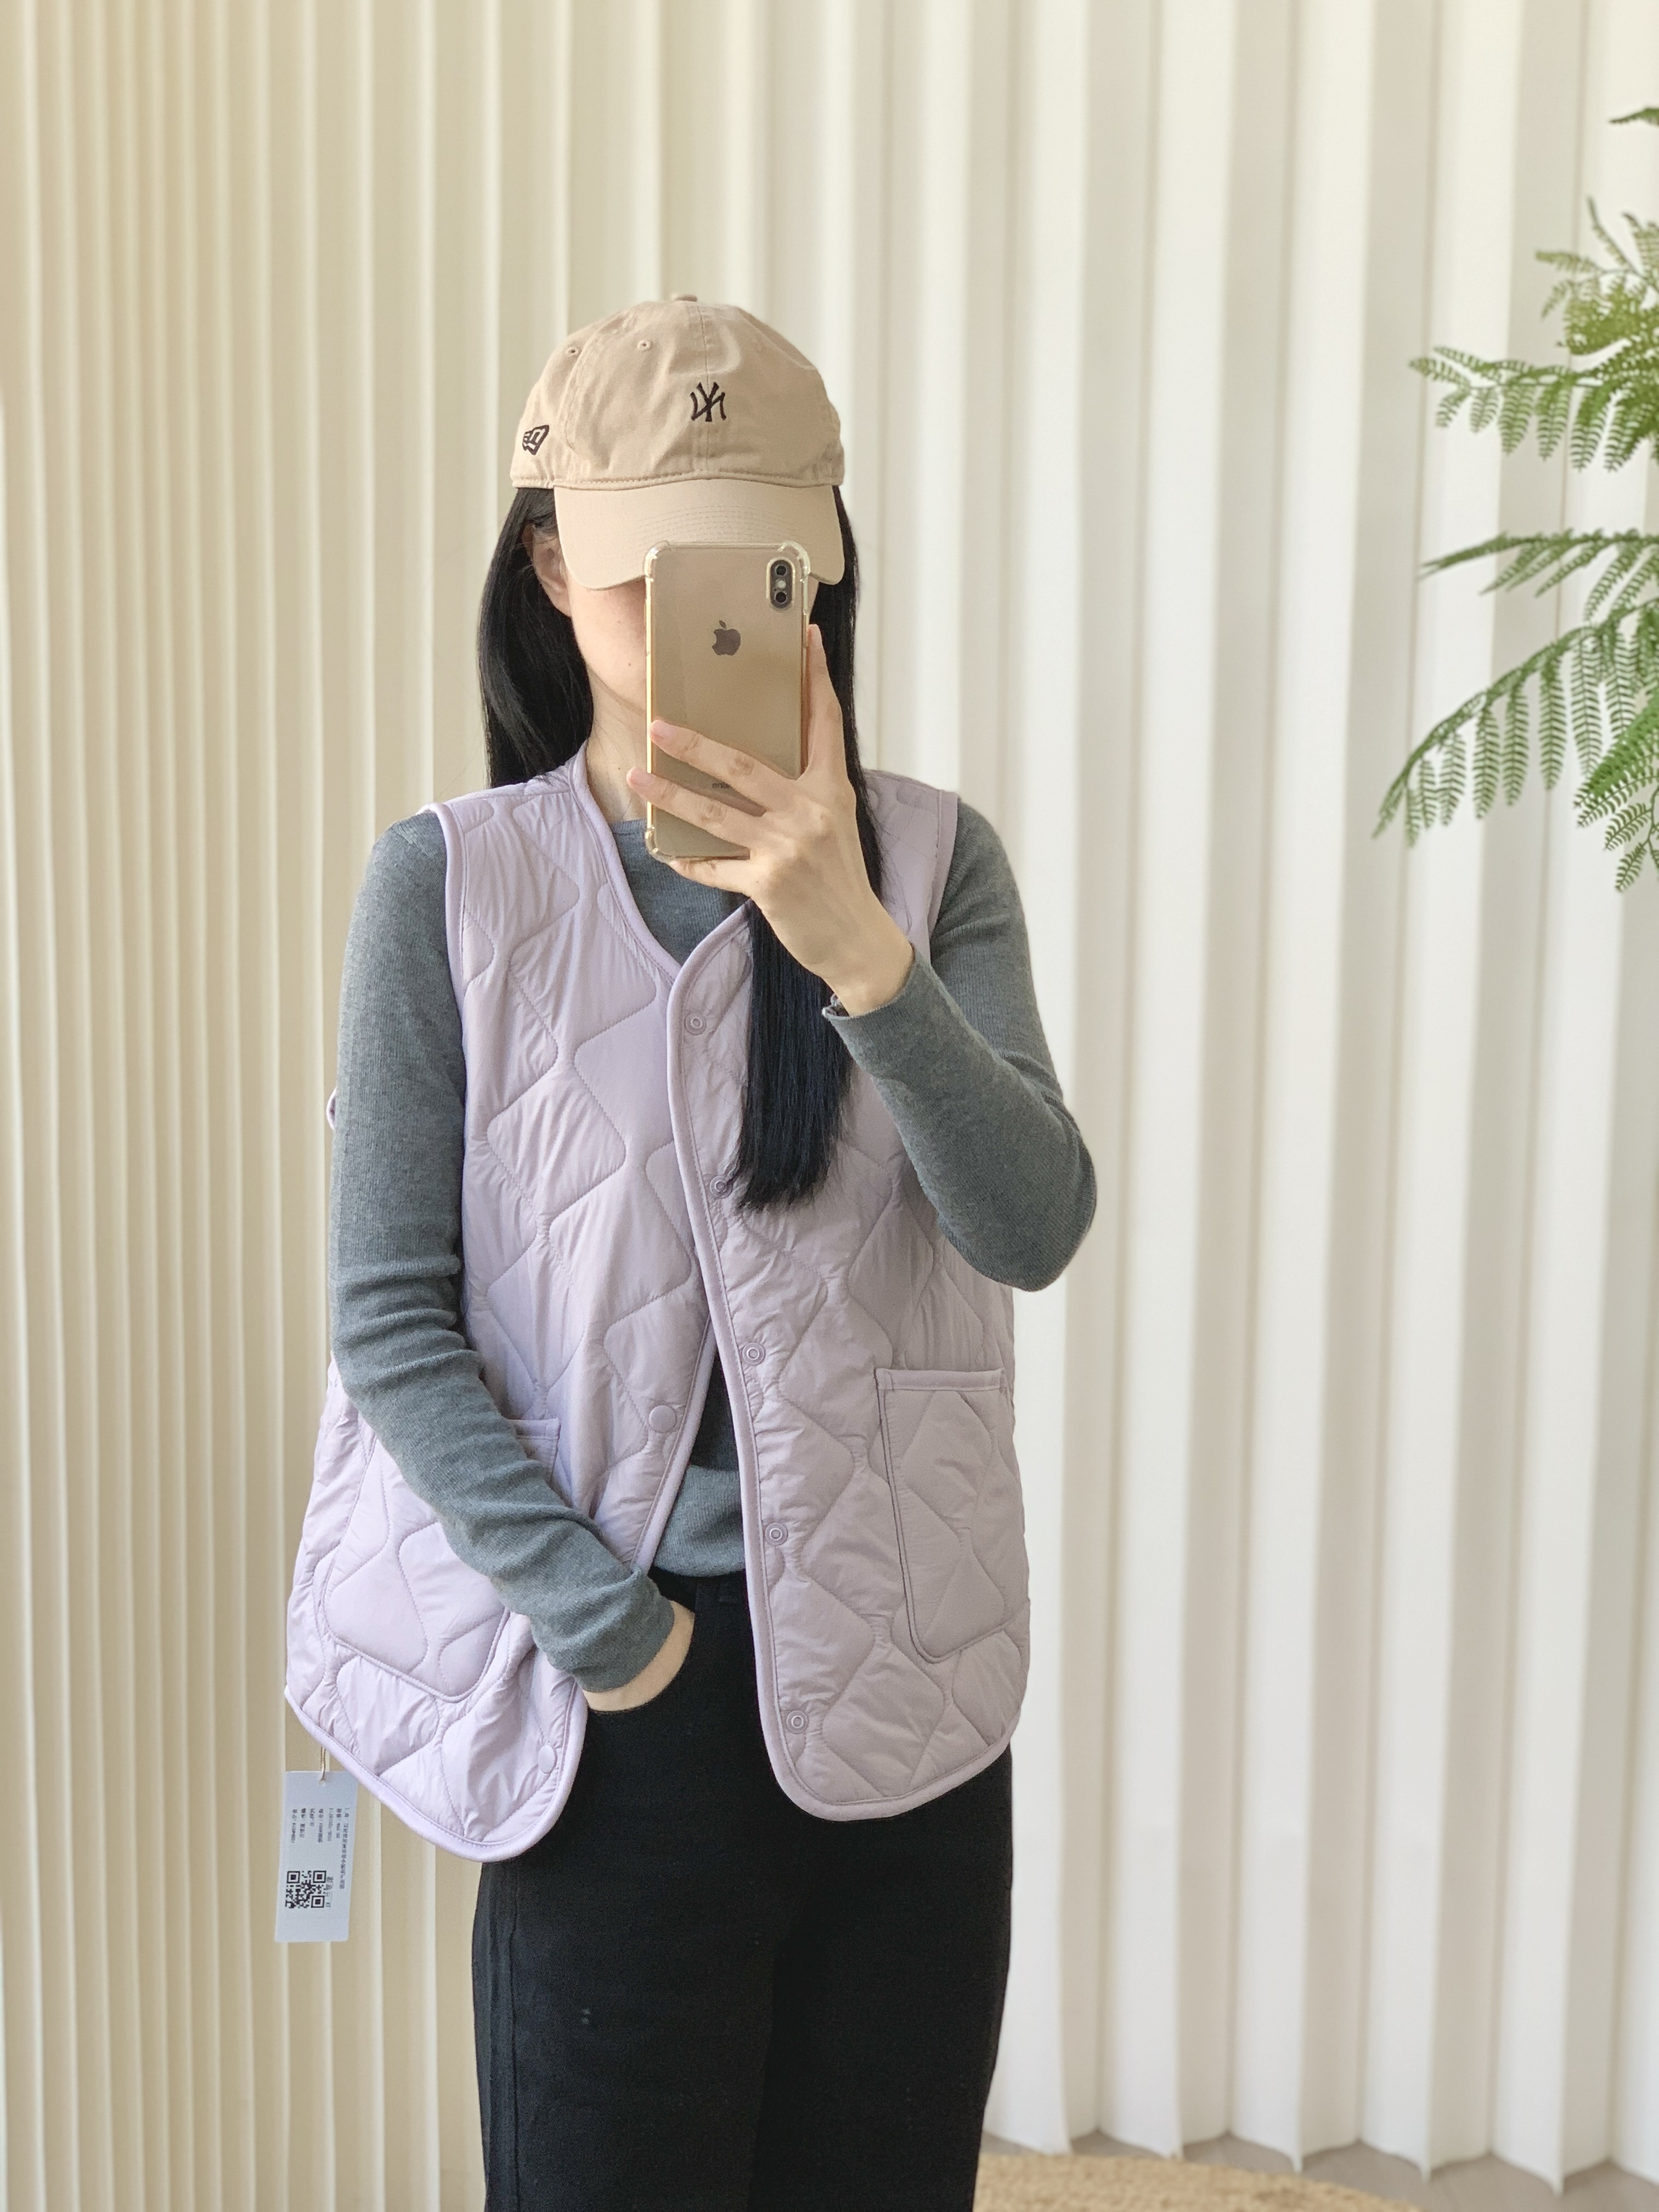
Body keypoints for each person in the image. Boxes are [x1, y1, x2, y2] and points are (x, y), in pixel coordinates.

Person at [326, 296, 1097, 2211]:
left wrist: (857, 952)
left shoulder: (933, 869)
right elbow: (389, 1318)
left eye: (748, 571)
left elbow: (1033, 1225)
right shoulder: (452, 885)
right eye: (640, 574)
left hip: (906, 1695)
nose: (691, 622)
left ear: (816, 569)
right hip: (624, 1711)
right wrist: (618, 1645)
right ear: (546, 566)